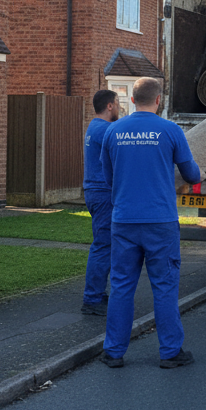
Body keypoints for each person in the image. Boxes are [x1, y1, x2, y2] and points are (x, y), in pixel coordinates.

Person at [99, 77, 202, 369]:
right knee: (165, 286)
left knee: (121, 286)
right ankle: (170, 352)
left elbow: (109, 178)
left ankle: (114, 352)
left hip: (124, 220)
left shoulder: (113, 131)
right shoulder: (171, 130)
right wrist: (201, 174)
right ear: (159, 100)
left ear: (132, 99)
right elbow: (191, 175)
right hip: (160, 221)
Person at [81, 89, 119, 315]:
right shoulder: (106, 130)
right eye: (118, 104)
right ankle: (92, 299)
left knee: (105, 244)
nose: (121, 108)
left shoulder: (93, 127)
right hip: (103, 193)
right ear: (110, 106)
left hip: (95, 192)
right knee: (103, 245)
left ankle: (97, 294)